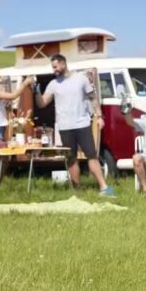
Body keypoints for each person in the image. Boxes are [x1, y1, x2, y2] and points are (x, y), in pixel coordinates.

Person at [34, 54, 115, 197]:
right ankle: (77, 191)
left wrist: (99, 116)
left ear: (63, 64)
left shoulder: (81, 79)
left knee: (92, 156)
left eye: (56, 66)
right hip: (64, 127)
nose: (54, 70)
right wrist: (36, 91)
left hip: (82, 124)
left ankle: (104, 187)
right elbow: (42, 103)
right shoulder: (53, 84)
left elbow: (93, 98)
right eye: (53, 67)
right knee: (71, 159)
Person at [0, 64, 34, 192]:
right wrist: (25, 83)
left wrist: (7, 108)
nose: (0, 77)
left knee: (4, 160)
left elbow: (1, 105)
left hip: (0, 127)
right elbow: (13, 95)